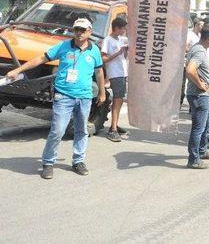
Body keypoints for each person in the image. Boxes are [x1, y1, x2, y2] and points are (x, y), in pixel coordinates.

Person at [6, 18, 106, 179]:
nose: (79, 33)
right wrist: (18, 70)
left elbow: (99, 72)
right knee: (57, 130)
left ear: (89, 31)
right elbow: (40, 59)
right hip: (63, 95)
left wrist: (102, 92)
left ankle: (78, 161)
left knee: (81, 130)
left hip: (84, 97)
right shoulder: (63, 46)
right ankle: (48, 162)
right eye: (76, 30)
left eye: (82, 30)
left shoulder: (94, 50)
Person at [184, 24, 209, 169]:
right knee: (198, 128)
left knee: (208, 122)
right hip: (199, 95)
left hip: (201, 95)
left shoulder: (198, 48)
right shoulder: (199, 51)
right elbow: (190, 70)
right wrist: (200, 84)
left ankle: (202, 151)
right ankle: (194, 159)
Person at [101, 16, 129, 142]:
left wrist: (124, 51)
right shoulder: (108, 40)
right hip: (115, 73)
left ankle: (115, 123)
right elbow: (104, 58)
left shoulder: (120, 39)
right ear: (116, 28)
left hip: (122, 72)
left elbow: (124, 56)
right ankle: (112, 129)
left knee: (120, 99)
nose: (124, 31)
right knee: (117, 99)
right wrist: (119, 52)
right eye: (122, 28)